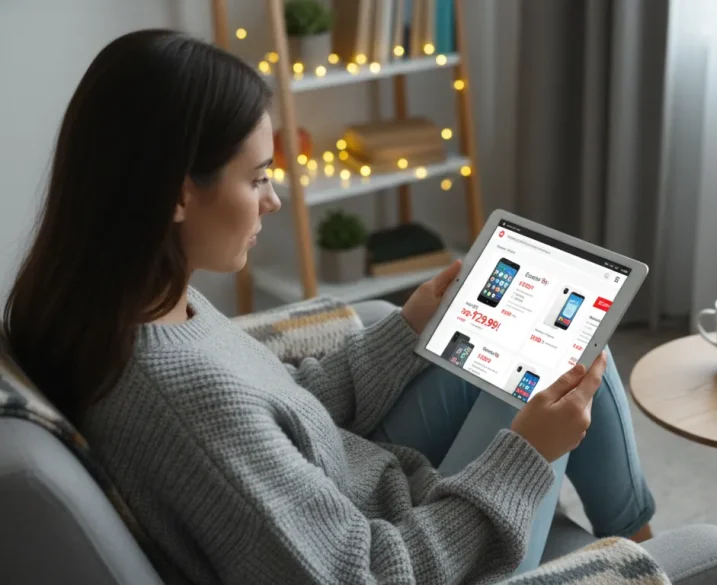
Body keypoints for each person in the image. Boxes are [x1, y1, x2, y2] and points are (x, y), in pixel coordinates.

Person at [1, 30, 654, 584]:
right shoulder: (185, 403)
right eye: (258, 177)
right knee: (574, 364)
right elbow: (361, 573)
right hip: (409, 547)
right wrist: (526, 457)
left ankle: (638, 535)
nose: (272, 200)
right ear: (178, 195)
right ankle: (653, 553)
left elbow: (281, 408)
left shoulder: (136, 301)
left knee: (562, 351)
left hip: (368, 483)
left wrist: (405, 328)